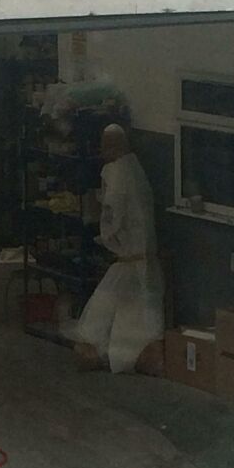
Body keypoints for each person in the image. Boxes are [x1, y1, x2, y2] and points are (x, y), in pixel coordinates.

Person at [76, 124, 164, 373]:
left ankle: (109, 352)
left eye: (104, 145)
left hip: (128, 260)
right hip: (143, 261)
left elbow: (111, 215)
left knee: (101, 313)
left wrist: (105, 237)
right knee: (138, 314)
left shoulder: (115, 173)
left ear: (113, 146)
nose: (101, 151)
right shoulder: (137, 171)